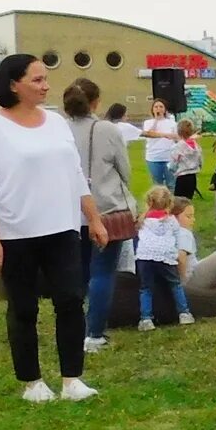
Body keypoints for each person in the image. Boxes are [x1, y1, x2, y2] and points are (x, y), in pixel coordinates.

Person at [0, 55, 108, 402]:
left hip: (62, 229)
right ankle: (32, 383)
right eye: (37, 80)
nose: (46, 86)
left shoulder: (57, 123)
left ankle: (72, 379)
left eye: (46, 79)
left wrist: (93, 218)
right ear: (13, 84)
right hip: (15, 234)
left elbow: (75, 174)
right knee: (23, 308)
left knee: (71, 301)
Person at [64, 78, 134, 354]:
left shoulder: (58, 129)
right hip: (106, 207)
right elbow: (125, 170)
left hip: (71, 212)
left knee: (79, 274)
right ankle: (94, 334)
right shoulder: (107, 129)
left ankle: (74, 329)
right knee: (103, 273)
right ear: (96, 102)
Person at [135, 186, 194, 331]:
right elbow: (175, 235)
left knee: (146, 288)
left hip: (144, 256)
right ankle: (184, 313)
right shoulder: (171, 221)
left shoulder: (143, 220)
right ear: (169, 204)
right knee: (175, 284)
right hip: (166, 256)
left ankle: (146, 319)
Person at [141, 99, 179, 188]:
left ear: (165, 109)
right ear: (153, 109)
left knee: (171, 183)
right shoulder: (148, 123)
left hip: (169, 157)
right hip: (153, 157)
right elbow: (149, 134)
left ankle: (170, 201)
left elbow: (177, 137)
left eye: (161, 107)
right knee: (158, 184)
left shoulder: (172, 123)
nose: (158, 109)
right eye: (156, 107)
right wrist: (156, 121)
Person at [168, 119, 202, 198]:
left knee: (179, 201)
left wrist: (170, 168)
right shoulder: (196, 146)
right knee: (188, 200)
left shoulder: (177, 147)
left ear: (178, 131)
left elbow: (174, 163)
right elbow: (200, 160)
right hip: (193, 176)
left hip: (182, 176)